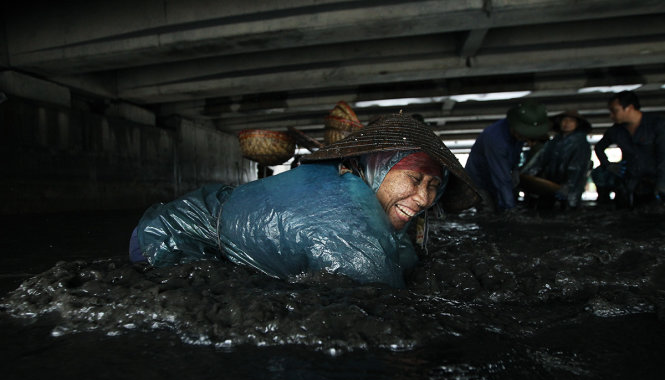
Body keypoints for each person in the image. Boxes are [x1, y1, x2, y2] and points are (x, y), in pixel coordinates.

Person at [128, 113, 480, 288]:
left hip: (207, 211)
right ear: (374, 166)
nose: (424, 198)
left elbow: (398, 253)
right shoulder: (341, 211)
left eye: (434, 185)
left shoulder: (354, 184)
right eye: (415, 179)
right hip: (169, 237)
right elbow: (378, 299)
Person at [464, 100, 550, 212]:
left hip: (497, 176)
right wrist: (511, 209)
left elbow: (515, 157)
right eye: (525, 137)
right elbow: (501, 178)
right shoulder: (496, 139)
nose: (527, 142)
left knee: (502, 203)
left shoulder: (518, 135)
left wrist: (515, 170)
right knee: (488, 210)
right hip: (480, 180)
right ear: (516, 129)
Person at [591, 90, 665, 207]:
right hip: (632, 183)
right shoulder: (616, 130)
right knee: (598, 173)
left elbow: (663, 157)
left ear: (629, 108)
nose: (611, 116)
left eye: (615, 111)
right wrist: (608, 165)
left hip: (656, 181)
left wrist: (662, 185)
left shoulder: (657, 124)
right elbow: (599, 148)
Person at [520, 110, 592, 209]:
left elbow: (577, 168)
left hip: (570, 187)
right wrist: (526, 175)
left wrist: (567, 187)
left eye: (571, 121)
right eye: (564, 120)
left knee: (568, 211)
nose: (566, 123)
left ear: (577, 124)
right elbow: (540, 160)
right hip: (551, 184)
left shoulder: (581, 143)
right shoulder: (554, 142)